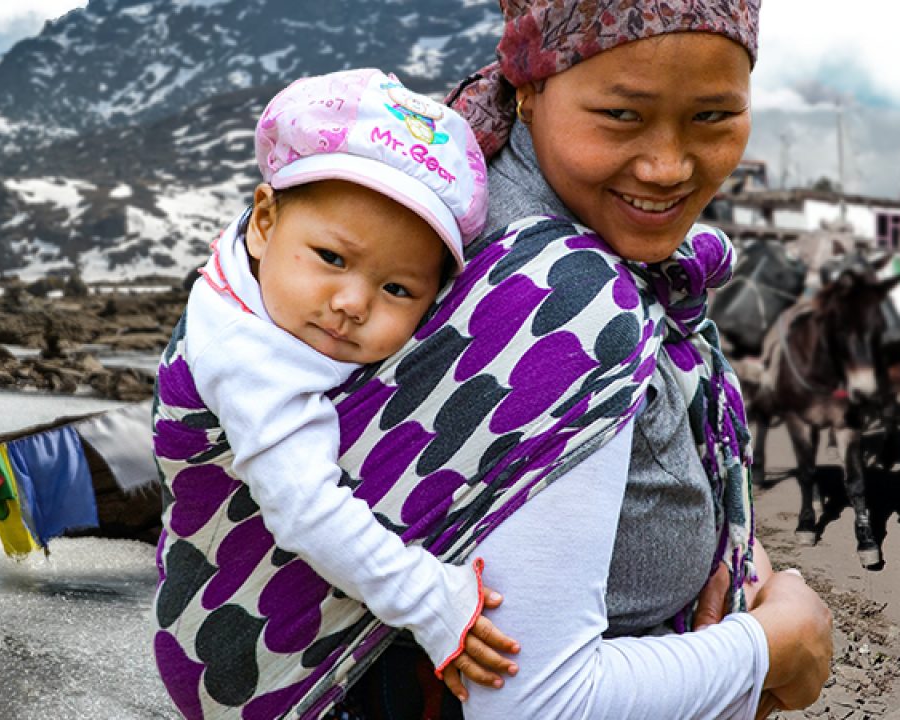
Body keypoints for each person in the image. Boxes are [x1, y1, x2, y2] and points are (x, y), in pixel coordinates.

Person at [336, 0, 836, 718]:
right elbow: (534, 701)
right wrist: (776, 645)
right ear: (530, 84)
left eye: (714, 118)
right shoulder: (561, 299)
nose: (668, 167)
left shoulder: (516, 215)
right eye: (622, 117)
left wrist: (736, 556)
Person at [153, 68, 519, 715]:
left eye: (398, 289)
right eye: (332, 258)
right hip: (252, 655)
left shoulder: (261, 273)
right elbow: (306, 512)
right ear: (264, 220)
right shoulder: (253, 362)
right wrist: (433, 603)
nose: (351, 304)